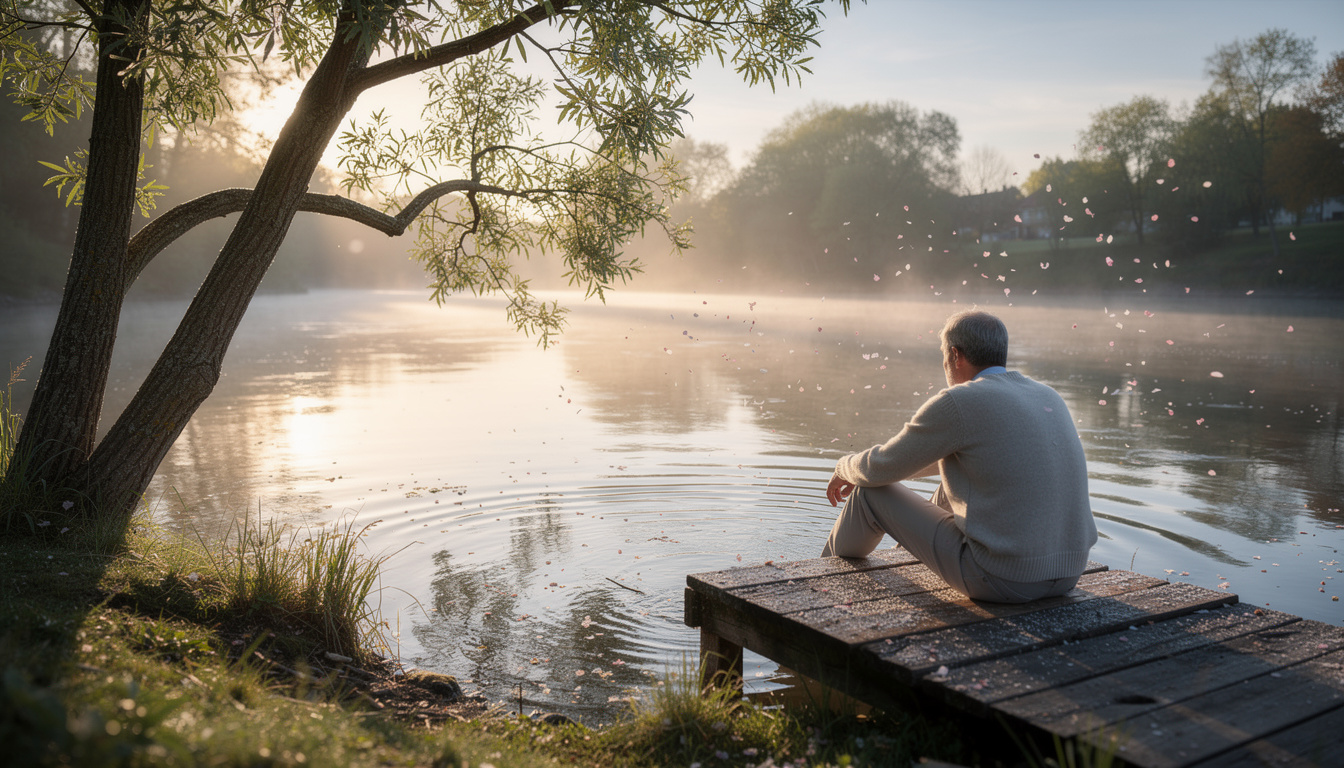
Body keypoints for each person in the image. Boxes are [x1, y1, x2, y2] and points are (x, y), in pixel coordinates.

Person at [822, 309, 1096, 603]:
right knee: (952, 480)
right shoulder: (1048, 396)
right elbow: (928, 460)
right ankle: (905, 558)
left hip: (1003, 579)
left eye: (944, 357)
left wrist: (843, 467)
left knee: (868, 494)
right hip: (1068, 573)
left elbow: (880, 467)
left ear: (955, 355)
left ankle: (817, 581)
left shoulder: (960, 401)